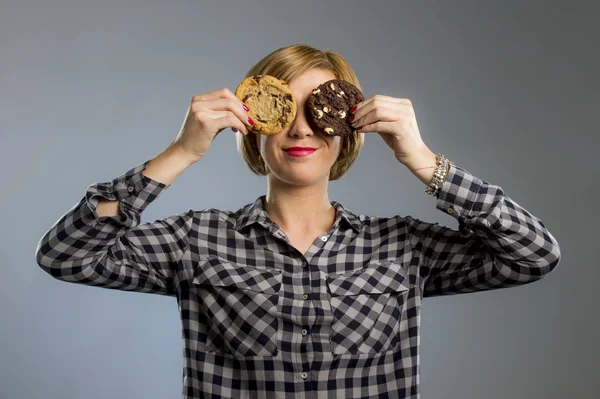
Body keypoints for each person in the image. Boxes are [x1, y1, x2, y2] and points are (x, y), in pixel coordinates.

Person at [35, 44, 561, 398]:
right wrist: (180, 152)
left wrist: (423, 160)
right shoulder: (198, 240)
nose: (303, 128)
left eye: (320, 109)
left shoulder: (403, 246)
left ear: (349, 127)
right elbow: (66, 255)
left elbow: (534, 255)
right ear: (254, 125)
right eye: (284, 111)